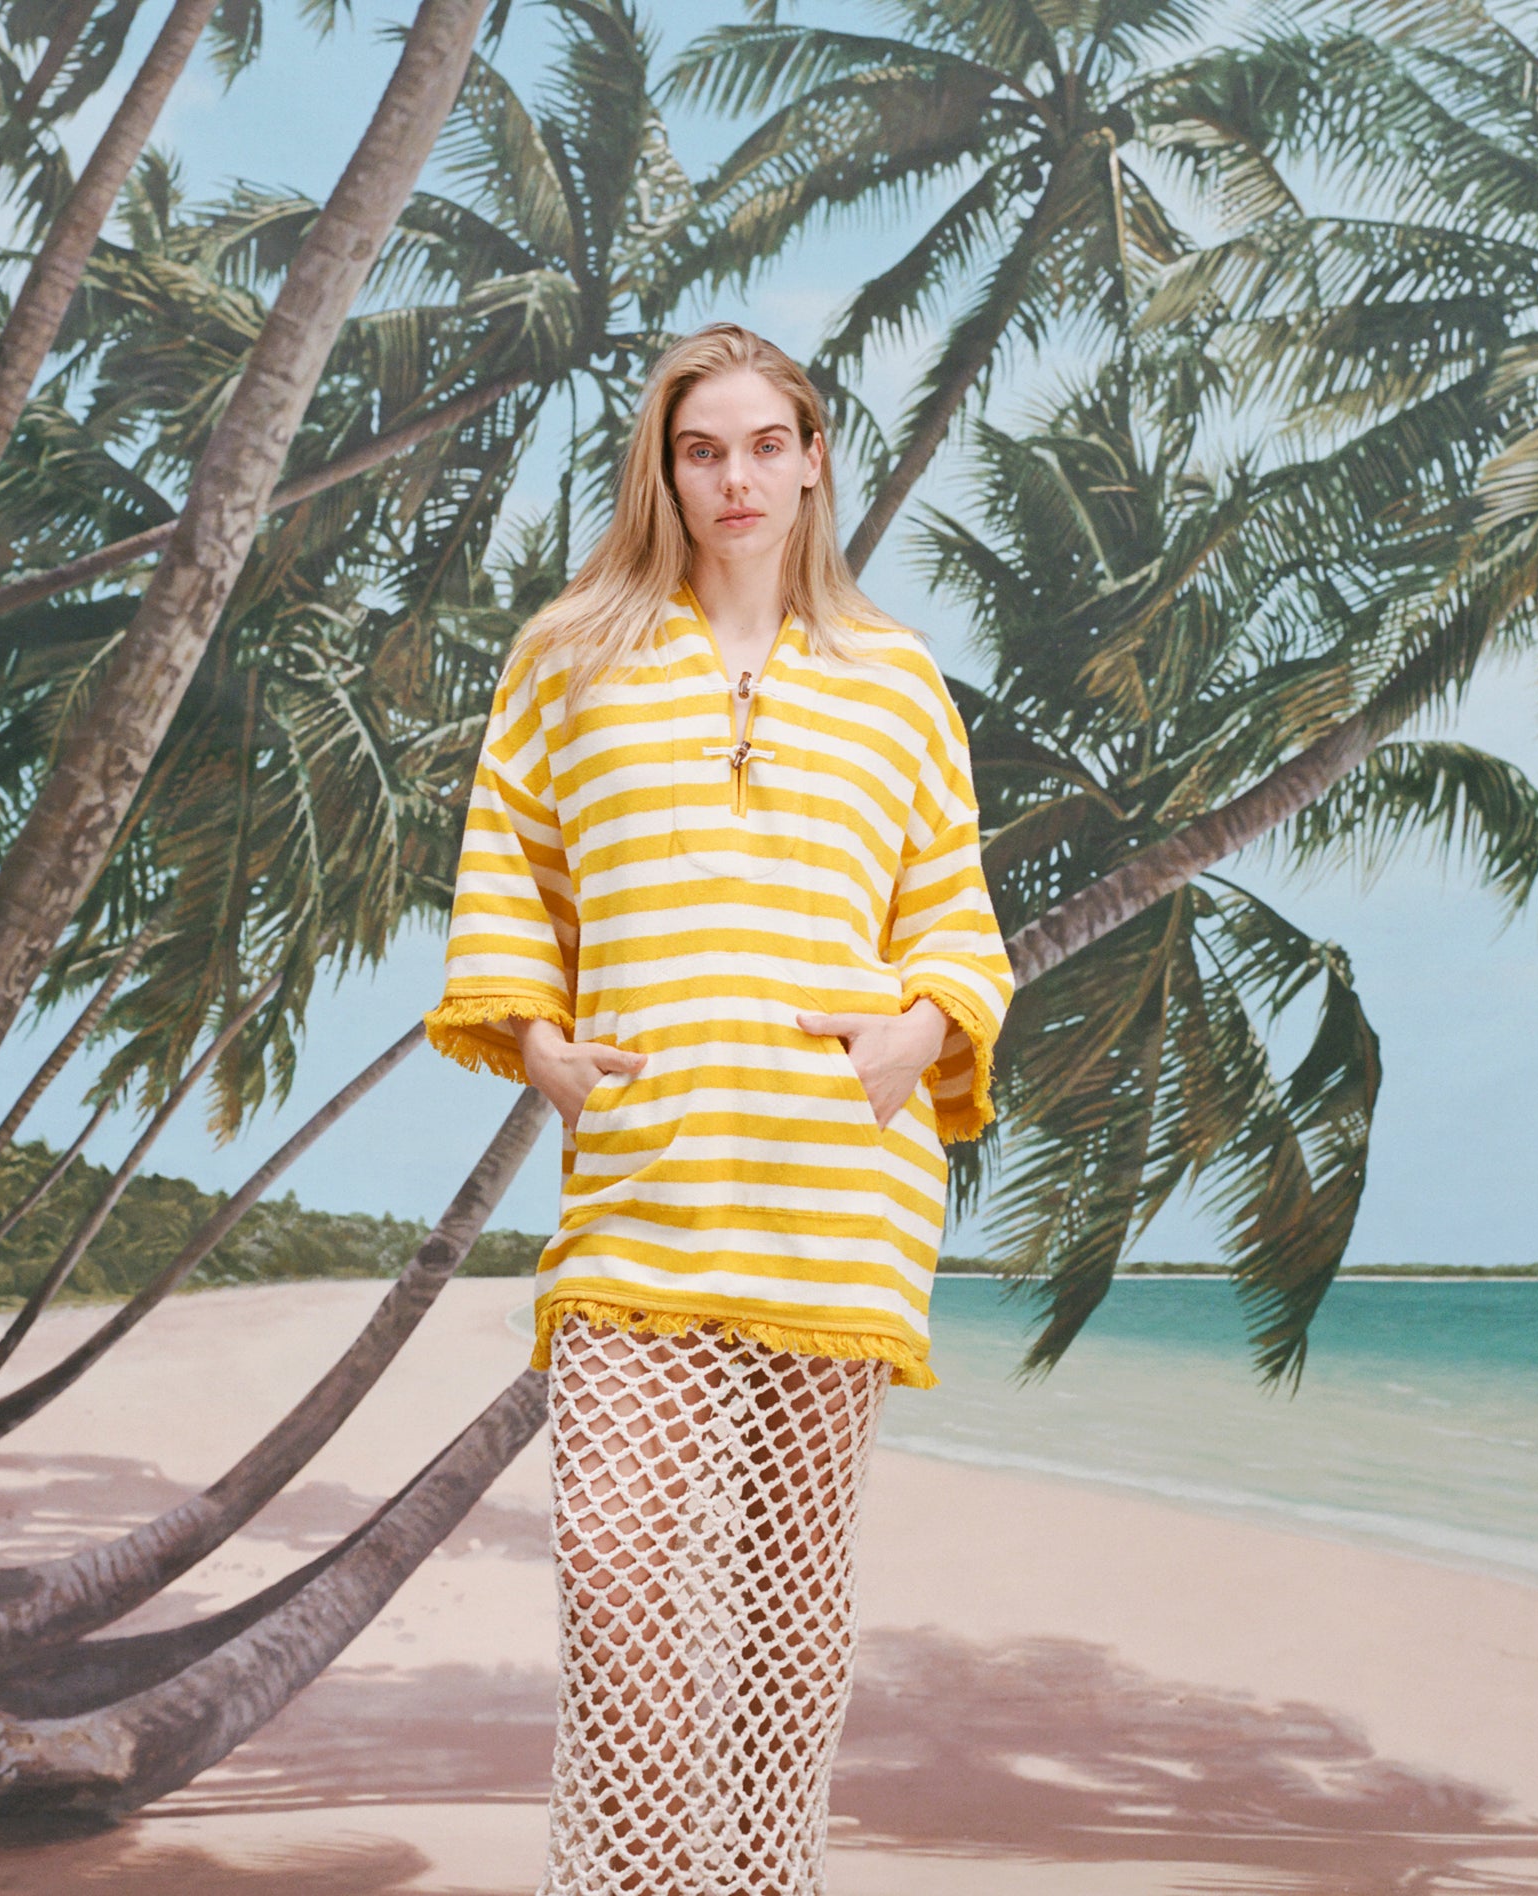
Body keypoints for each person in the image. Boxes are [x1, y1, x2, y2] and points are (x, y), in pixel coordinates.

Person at [423, 322, 1013, 1894]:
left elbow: (952, 914)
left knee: (790, 1596)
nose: (735, 477)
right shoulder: (573, 653)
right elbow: (511, 864)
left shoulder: (895, 683)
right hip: (646, 1181)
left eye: (765, 445)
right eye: (703, 449)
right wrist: (535, 1041)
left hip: (836, 1187)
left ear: (815, 458)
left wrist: (921, 1030)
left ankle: (763, 1880)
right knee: (615, 1570)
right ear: (665, 470)